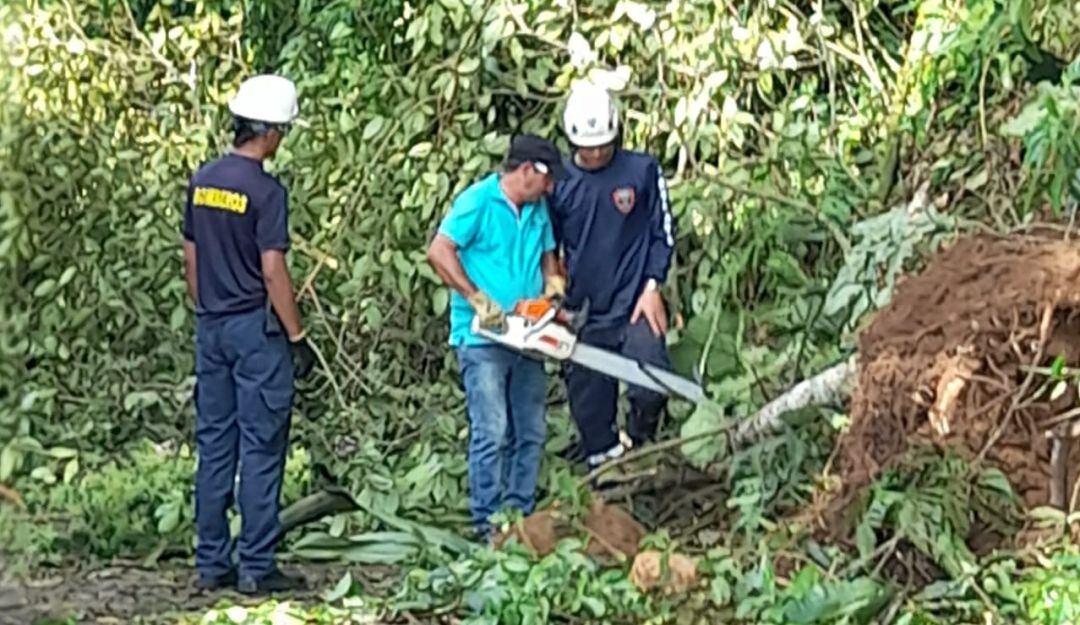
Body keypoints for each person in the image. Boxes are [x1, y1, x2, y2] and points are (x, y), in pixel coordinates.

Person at [182, 74, 317, 594]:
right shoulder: (265, 190)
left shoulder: (203, 180)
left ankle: (211, 563)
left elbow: (191, 259)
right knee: (262, 448)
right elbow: (273, 270)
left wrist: (208, 308)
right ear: (269, 131)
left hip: (211, 326)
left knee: (216, 444)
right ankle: (256, 568)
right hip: (255, 334)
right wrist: (296, 335)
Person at [427, 134, 566, 539]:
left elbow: (548, 259)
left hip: (528, 335)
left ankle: (519, 512)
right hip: (483, 337)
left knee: (531, 427)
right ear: (527, 171)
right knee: (493, 429)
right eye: (548, 179)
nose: (551, 188)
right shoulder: (478, 201)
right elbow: (439, 251)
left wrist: (552, 294)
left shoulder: (538, 210)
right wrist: (476, 298)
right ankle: (487, 521)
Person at [549, 82, 676, 472]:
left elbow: (663, 232)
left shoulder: (642, 170)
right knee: (590, 406)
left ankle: (642, 443)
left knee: (651, 384)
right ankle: (604, 467)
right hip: (586, 310)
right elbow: (547, 248)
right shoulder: (560, 183)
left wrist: (654, 285)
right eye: (588, 147)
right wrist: (554, 301)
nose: (597, 152)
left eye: (604, 144)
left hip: (637, 301)